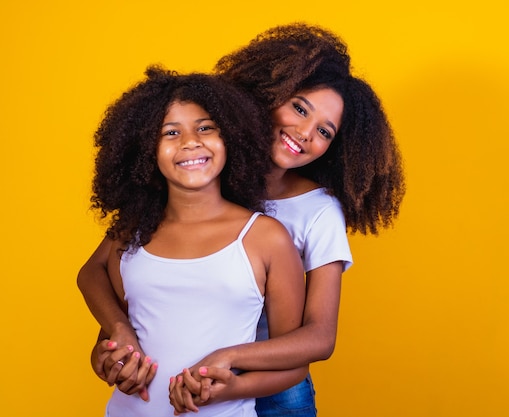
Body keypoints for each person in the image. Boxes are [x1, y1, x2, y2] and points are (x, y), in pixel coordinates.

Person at [77, 22, 406, 416]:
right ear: (269, 94)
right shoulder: (203, 180)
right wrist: (115, 336)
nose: (303, 132)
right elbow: (122, 280)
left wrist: (232, 361)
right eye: (299, 108)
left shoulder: (314, 212)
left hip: (274, 382)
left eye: (324, 131)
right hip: (182, 383)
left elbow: (320, 336)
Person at [86, 66, 307, 417]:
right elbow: (93, 281)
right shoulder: (134, 232)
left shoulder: (265, 237)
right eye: (170, 132)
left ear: (231, 138)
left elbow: (295, 363)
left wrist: (231, 388)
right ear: (145, 150)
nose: (190, 142)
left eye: (205, 128)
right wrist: (112, 347)